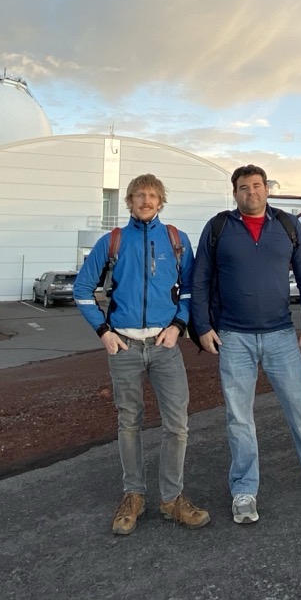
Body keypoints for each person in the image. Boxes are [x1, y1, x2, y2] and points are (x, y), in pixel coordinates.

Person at [190, 164, 301, 524]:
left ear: (267, 189)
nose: (252, 193)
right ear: (235, 193)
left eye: (257, 186)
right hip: (233, 338)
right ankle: (245, 489)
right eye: (244, 188)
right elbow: (201, 280)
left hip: (281, 336)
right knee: (239, 418)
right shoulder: (218, 228)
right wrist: (202, 327)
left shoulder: (288, 227)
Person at [74, 173, 210, 535]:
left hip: (165, 347)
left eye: (152, 196)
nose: (146, 201)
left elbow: (190, 291)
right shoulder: (112, 241)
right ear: (130, 201)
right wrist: (103, 332)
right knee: (128, 423)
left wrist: (178, 326)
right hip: (124, 346)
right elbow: (83, 289)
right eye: (139, 195)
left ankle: (172, 498)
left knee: (177, 424)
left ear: (161, 201)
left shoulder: (176, 240)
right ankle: (133, 495)